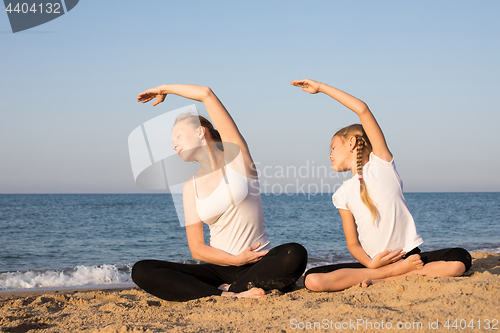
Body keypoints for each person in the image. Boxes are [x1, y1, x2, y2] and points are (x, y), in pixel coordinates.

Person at [291, 79, 472, 292]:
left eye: (333, 147)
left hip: (409, 258)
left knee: (461, 258)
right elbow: (353, 244)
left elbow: (362, 110)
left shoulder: (382, 164)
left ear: (352, 143)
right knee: (312, 279)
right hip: (375, 264)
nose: (329, 156)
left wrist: (321, 88)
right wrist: (371, 264)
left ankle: (390, 276)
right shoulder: (342, 194)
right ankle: (387, 274)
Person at [131, 84, 307, 301]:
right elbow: (196, 249)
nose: (173, 145)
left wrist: (166, 88)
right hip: (217, 270)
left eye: (178, 136)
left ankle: (230, 290)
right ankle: (229, 294)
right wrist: (235, 260)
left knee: (294, 254)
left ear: (200, 131)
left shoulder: (238, 161)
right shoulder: (190, 186)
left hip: (257, 263)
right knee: (142, 269)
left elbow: (206, 94)